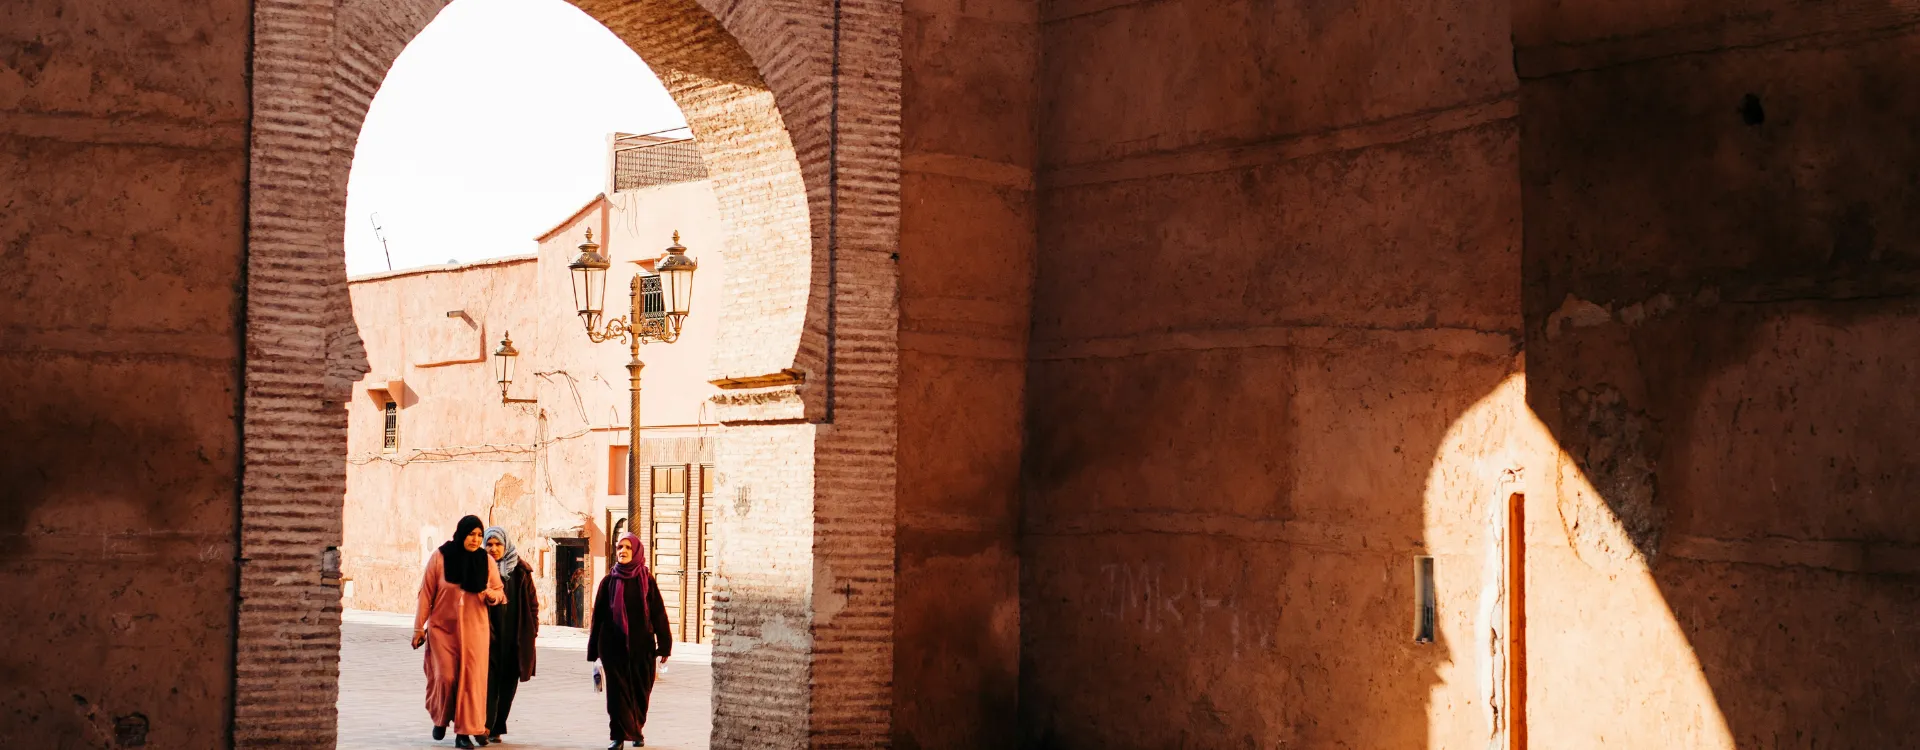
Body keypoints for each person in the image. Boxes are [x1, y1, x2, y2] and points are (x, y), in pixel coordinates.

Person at [413, 515, 505, 748]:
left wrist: (491, 595)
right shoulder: (440, 558)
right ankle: (441, 718)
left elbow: (499, 591)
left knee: (470, 682)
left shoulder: (486, 562)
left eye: (478, 535)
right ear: (461, 533)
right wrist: (418, 628)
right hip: (442, 630)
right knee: (446, 677)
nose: (475, 540)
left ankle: (463, 733)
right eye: (471, 534)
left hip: (475, 632)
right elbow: (426, 594)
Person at [586, 533, 673, 750]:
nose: (622, 551)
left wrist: (664, 645)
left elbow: (658, 613)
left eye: (627, 548)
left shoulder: (646, 580)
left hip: (642, 647)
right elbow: (599, 617)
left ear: (636, 552)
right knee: (617, 695)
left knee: (641, 692)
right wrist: (594, 649)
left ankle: (637, 729)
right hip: (613, 647)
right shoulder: (609, 582)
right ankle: (618, 736)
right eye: (619, 547)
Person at [483, 526, 538, 744]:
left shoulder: (520, 571)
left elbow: (532, 603)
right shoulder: (479, 570)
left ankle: (498, 725)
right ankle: (486, 725)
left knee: (508, 684)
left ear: (506, 545)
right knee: (488, 683)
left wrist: (532, 629)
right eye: (489, 544)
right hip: (488, 636)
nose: (494, 548)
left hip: (515, 636)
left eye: (498, 544)